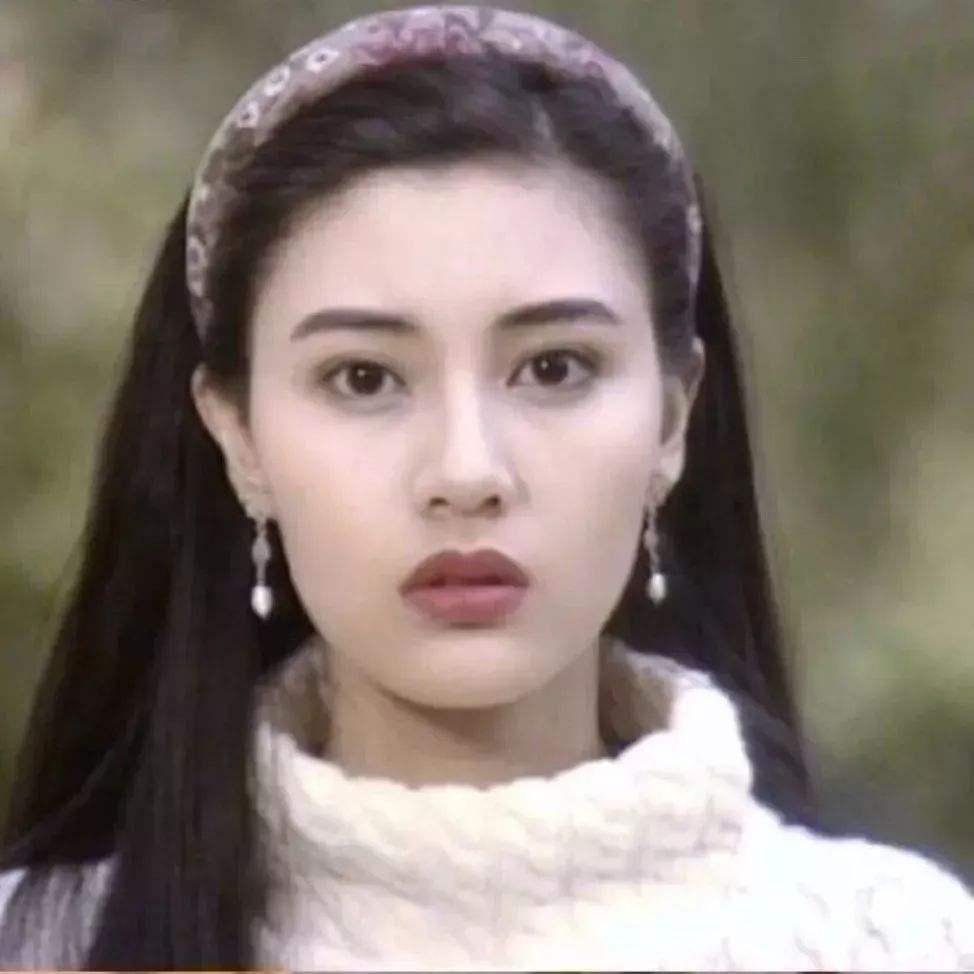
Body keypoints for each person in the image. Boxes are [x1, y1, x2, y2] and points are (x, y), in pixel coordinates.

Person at [1, 4, 971, 970]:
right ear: (239, 435)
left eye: (554, 368)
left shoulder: (893, 943)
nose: (466, 473)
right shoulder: (42, 945)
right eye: (363, 378)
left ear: (673, 420)